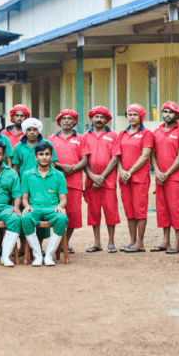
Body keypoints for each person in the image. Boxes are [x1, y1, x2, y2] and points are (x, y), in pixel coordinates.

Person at [19, 141, 69, 265]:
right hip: (34, 209)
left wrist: (60, 205)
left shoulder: (59, 175)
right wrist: (27, 205)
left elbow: (63, 198)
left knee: (62, 219)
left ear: (52, 157)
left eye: (47, 154)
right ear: (36, 157)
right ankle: (37, 255)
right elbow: (24, 197)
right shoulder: (27, 174)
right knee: (25, 218)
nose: (44, 157)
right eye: (41, 154)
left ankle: (49, 255)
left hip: (53, 209)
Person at [150, 101, 179, 253]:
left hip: (174, 178)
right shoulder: (157, 132)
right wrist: (157, 172)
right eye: (165, 112)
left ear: (177, 115)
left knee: (176, 209)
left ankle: (177, 243)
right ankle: (165, 241)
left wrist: (167, 173)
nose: (167, 115)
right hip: (160, 177)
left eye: (170, 112)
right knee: (162, 209)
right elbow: (152, 154)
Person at [80, 106, 121, 253]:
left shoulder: (113, 136)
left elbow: (115, 158)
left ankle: (111, 242)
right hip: (91, 181)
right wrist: (92, 176)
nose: (98, 119)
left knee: (111, 212)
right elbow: (83, 159)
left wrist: (102, 177)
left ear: (106, 119)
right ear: (91, 119)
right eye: (96, 117)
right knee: (94, 212)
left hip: (108, 181)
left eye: (102, 117)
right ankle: (96, 242)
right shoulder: (85, 136)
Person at [117, 104, 155, 253]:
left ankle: (140, 243)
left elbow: (145, 155)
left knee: (139, 210)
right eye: (129, 114)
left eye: (135, 114)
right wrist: (121, 170)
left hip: (139, 178)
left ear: (141, 117)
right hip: (124, 178)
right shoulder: (122, 134)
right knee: (129, 210)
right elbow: (117, 154)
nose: (132, 117)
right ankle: (132, 241)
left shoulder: (147, 134)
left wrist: (130, 171)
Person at [49, 109, 86, 255]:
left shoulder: (81, 138)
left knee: (73, 214)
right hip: (55, 181)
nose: (67, 121)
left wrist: (73, 169)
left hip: (74, 181)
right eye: (64, 118)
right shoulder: (52, 138)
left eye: (70, 119)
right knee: (55, 213)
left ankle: (65, 242)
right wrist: (63, 168)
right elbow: (48, 158)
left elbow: (85, 160)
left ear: (75, 122)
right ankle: (57, 242)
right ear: (59, 121)